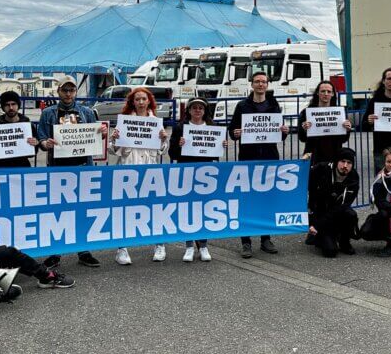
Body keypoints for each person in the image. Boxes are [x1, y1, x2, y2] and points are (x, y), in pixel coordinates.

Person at [36, 74, 107, 268]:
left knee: (82, 210)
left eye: (71, 90)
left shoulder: (87, 112)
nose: (68, 94)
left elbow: (94, 139)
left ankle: (83, 250)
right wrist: (45, 143)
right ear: (58, 91)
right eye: (64, 90)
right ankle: (55, 252)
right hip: (58, 168)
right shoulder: (48, 113)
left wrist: (102, 134)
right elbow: (41, 139)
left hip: (83, 168)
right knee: (56, 212)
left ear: (76, 92)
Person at [230, 71, 290, 258]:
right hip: (247, 159)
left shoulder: (274, 105)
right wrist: (236, 133)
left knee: (267, 199)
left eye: (264, 82)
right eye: (257, 82)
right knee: (246, 200)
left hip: (269, 158)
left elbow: (278, 132)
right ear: (252, 84)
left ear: (268, 84)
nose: (260, 85)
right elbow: (232, 130)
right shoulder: (242, 106)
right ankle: (246, 242)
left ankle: (266, 239)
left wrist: (284, 131)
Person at [108, 87, 169, 265]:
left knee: (154, 209)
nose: (141, 102)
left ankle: (160, 245)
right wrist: (114, 139)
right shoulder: (125, 122)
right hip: (128, 168)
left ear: (149, 101)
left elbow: (162, 151)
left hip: (150, 170)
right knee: (125, 209)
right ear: (132, 102)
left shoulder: (156, 122)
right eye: (137, 99)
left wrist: (164, 139)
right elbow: (114, 151)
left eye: (144, 99)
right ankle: (122, 248)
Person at [168, 96, 229, 263]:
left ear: (205, 111)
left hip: (206, 172)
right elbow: (172, 154)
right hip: (186, 171)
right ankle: (189, 246)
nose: (197, 110)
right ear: (188, 110)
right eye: (194, 107)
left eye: (200, 108)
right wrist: (178, 145)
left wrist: (221, 145)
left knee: (204, 208)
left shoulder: (212, 127)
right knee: (188, 208)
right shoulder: (181, 127)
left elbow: (216, 154)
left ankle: (203, 245)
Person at [306, 147, 359, 258]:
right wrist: (313, 222)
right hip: (320, 212)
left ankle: (344, 241)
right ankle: (319, 236)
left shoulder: (354, 177)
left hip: (337, 213)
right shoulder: (321, 169)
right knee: (330, 252)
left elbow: (343, 206)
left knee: (351, 214)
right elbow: (304, 182)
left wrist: (318, 225)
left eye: (349, 163)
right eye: (342, 161)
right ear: (336, 161)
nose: (345, 166)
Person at [0, 90, 38, 168]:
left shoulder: (28, 126)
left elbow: (33, 154)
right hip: (1, 168)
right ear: (3, 107)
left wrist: (35, 144)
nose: (11, 108)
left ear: (18, 105)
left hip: (23, 167)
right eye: (7, 105)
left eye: (13, 104)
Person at [298, 80, 352, 164]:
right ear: (317, 93)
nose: (326, 94)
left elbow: (343, 139)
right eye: (323, 91)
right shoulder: (306, 112)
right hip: (313, 156)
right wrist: (304, 129)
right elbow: (302, 138)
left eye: (329, 91)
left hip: (334, 154)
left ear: (333, 94)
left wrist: (347, 129)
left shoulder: (340, 113)